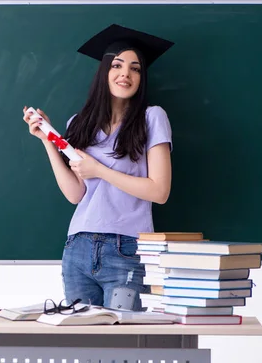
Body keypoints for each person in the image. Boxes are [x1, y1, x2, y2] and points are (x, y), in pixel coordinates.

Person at [23, 24, 174, 311]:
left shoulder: (152, 118)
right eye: (117, 65)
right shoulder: (78, 124)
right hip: (77, 248)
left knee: (123, 347)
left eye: (135, 68)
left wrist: (100, 170)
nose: (125, 74)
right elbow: (75, 194)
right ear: (104, 71)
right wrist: (47, 141)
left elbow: (160, 190)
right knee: (85, 345)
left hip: (126, 249)